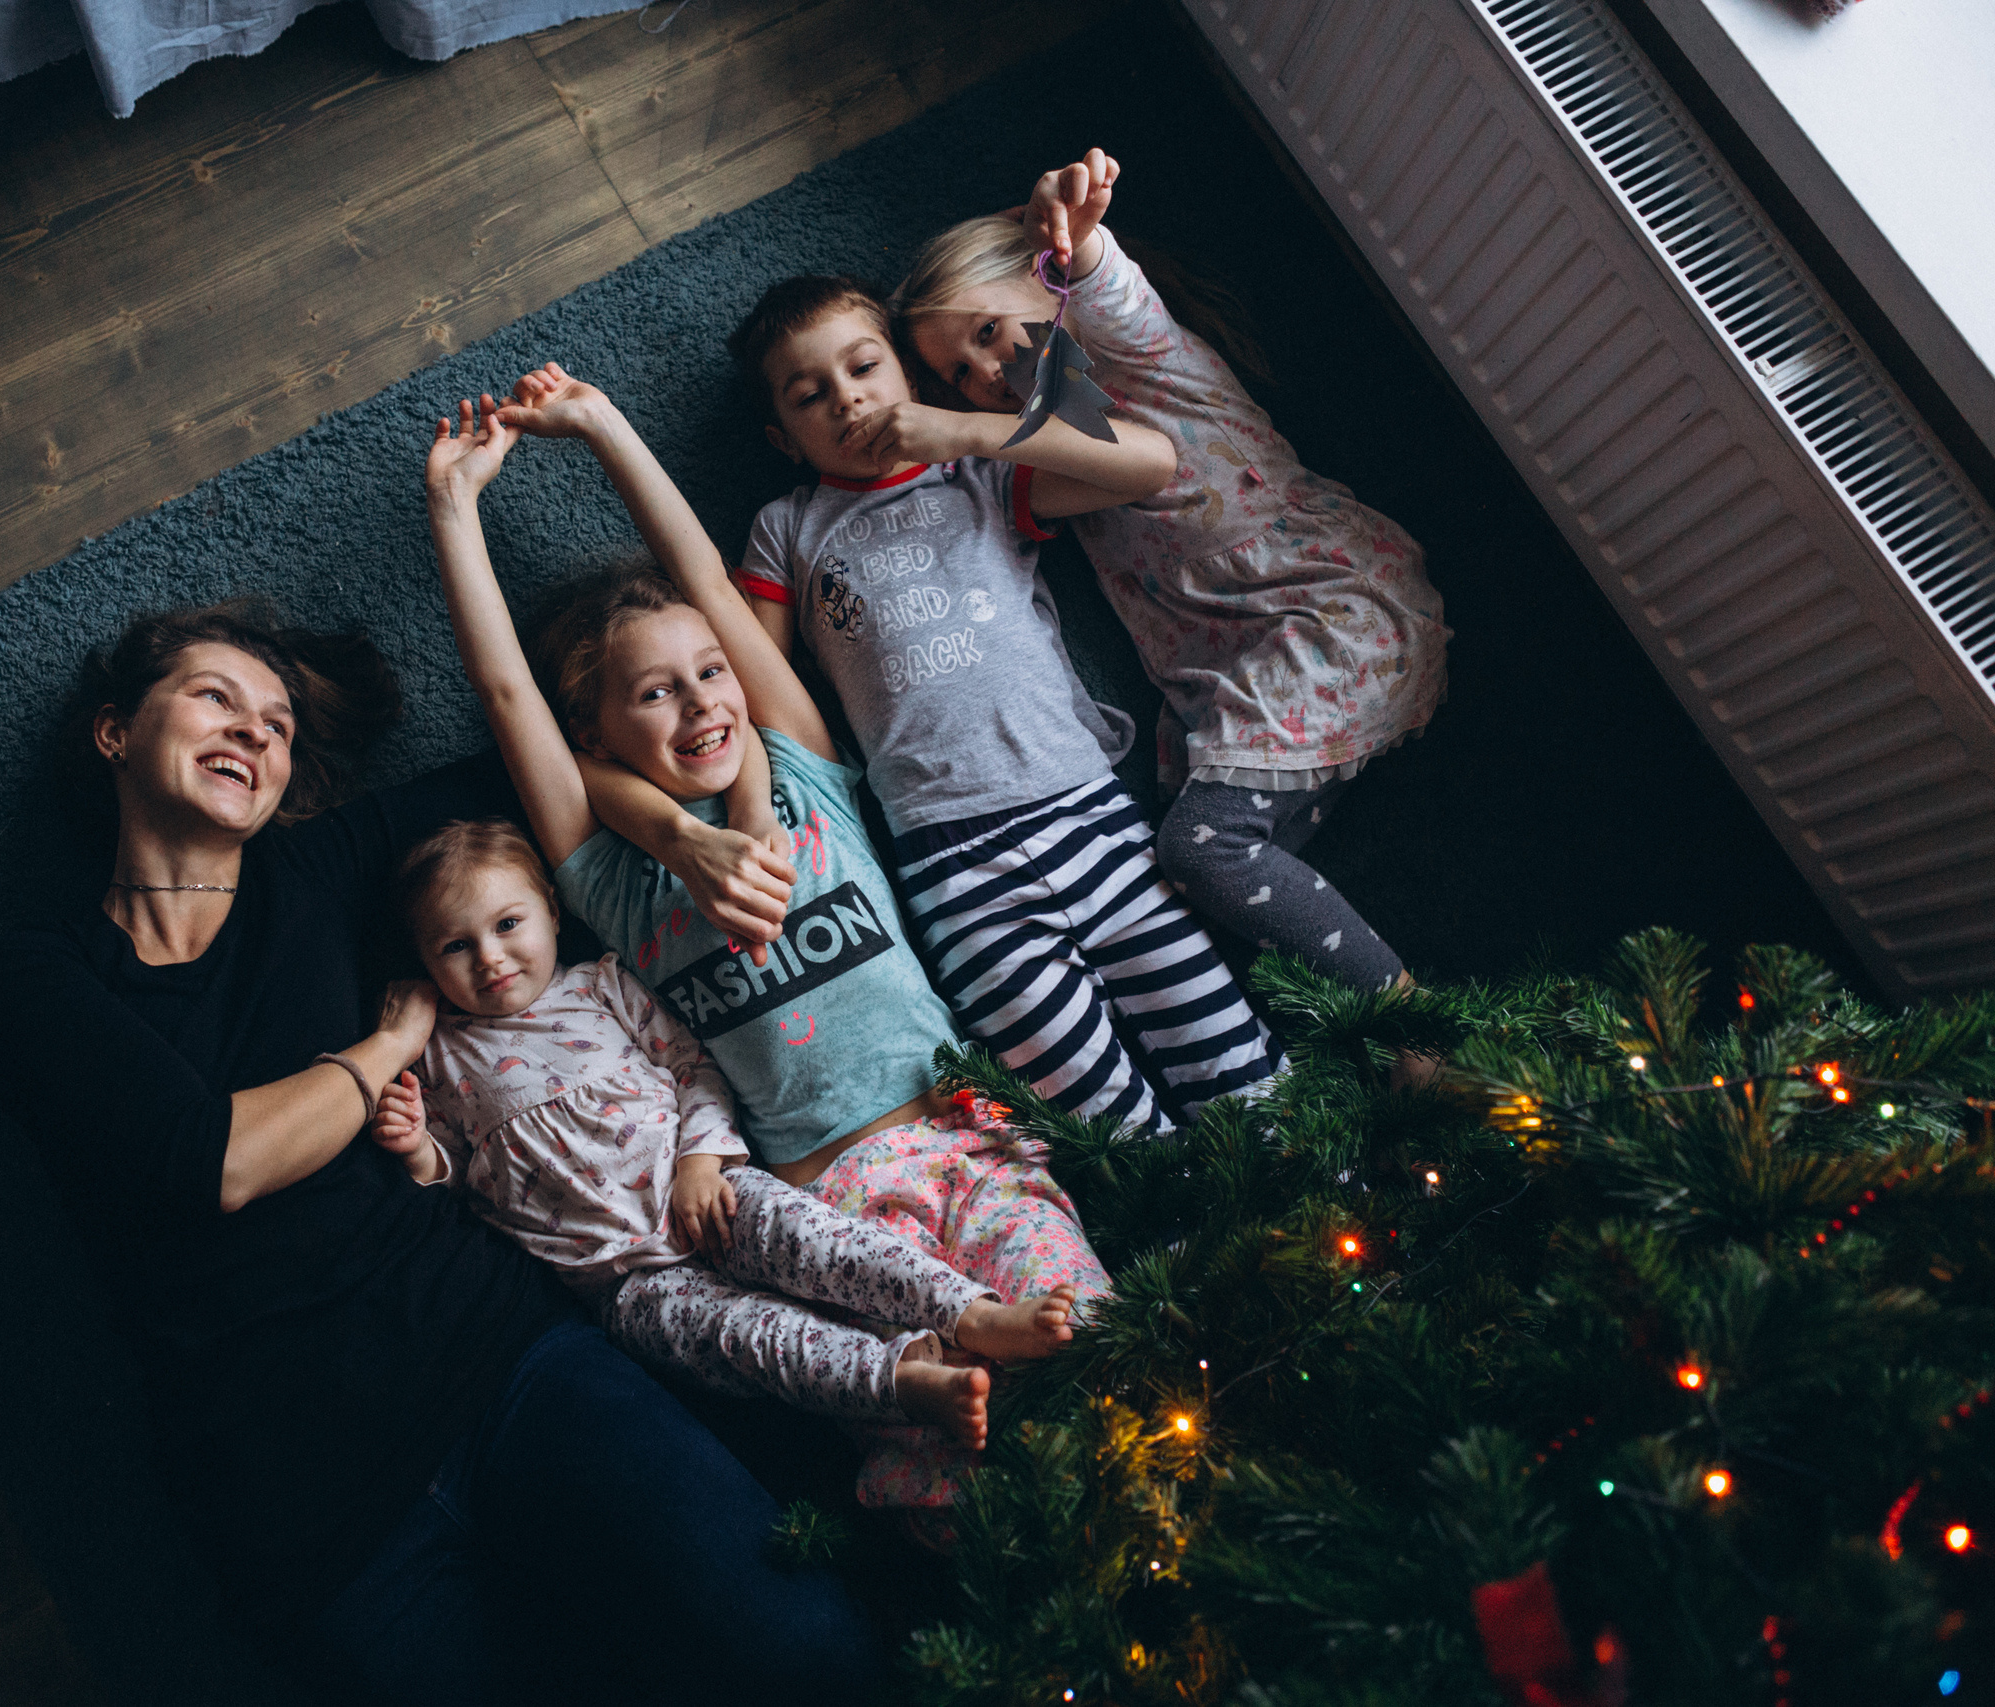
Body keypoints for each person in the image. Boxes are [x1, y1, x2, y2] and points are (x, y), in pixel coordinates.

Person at [0, 599, 876, 1706]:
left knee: (810, 1645)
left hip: (502, 1363)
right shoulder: (33, 978)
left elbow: (553, 758)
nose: (257, 731)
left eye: (278, 723)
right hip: (303, 1507)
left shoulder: (318, 869)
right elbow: (211, 1162)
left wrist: (694, 833)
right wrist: (387, 1043)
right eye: (216, 698)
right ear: (114, 732)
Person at [425, 371, 1112, 1514]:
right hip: (823, 1210)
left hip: (966, 1142)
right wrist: (454, 508)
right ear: (595, 730)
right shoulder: (612, 880)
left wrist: (604, 423)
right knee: (938, 1488)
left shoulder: (800, 775)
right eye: (655, 694)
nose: (702, 704)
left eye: (710, 675)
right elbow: (507, 697)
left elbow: (705, 581)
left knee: (1095, 1348)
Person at [723, 271, 1283, 1134]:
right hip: (953, 870)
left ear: (908, 377)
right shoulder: (788, 528)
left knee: (1238, 1072)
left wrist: (965, 430)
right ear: (783, 439)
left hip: (1092, 818)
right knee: (1103, 1128)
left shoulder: (976, 477)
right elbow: (754, 681)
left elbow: (1148, 463)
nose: (846, 399)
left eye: (865, 367)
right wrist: (749, 807)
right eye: (810, 395)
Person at [896, 149, 1451, 989]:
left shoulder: (1135, 353)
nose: (985, 375)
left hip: (1334, 611)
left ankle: (1413, 1022)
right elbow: (1017, 484)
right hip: (1233, 672)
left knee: (1200, 849)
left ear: (1044, 286)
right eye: (958, 378)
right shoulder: (1047, 439)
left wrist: (1067, 235)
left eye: (986, 332)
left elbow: (1103, 296)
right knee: (1182, 886)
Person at [368, 817, 1081, 1451]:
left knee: (830, 1245)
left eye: (508, 924)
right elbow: (459, 1172)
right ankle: (904, 1381)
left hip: (706, 1191)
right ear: (425, 963)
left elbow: (692, 1068)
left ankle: (974, 1313)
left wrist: (699, 1162)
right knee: (754, 1343)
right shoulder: (437, 1052)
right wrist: (419, 1151)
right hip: (627, 1280)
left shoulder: (601, 986)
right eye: (456, 946)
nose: (490, 958)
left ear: (552, 913)